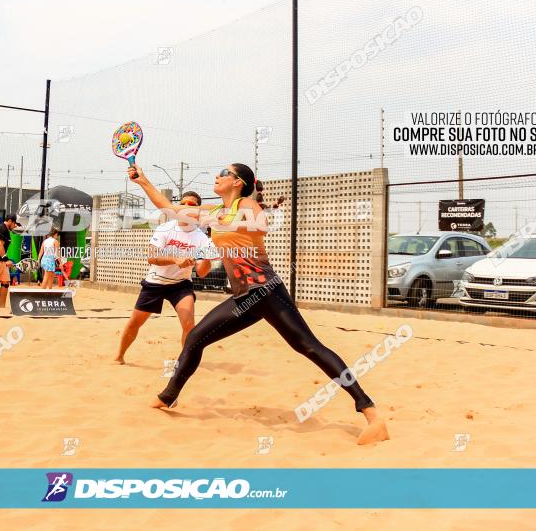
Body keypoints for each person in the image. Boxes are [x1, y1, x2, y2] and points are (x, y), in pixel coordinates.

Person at [128, 163, 389, 445]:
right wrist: (143, 182)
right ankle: (167, 397)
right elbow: (170, 209)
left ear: (238, 182)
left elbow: (261, 225)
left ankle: (370, 411)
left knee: (310, 347)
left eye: (223, 173)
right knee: (195, 337)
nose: (216, 176)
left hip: (266, 290)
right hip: (243, 297)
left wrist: (223, 221)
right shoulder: (214, 211)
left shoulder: (248, 205)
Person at [115, 191, 214, 364]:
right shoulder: (165, 228)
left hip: (181, 285)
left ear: (197, 210)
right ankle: (119, 356)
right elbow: (152, 258)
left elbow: (202, 272)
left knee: (189, 325)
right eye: (182, 203)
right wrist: (175, 259)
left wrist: (207, 256)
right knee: (134, 323)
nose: (185, 207)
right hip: (155, 282)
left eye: (191, 205)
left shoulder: (202, 238)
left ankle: (183, 363)